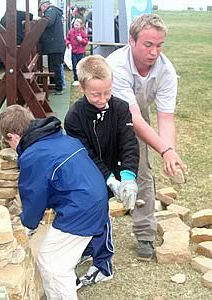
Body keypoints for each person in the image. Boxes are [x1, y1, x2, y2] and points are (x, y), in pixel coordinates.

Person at [0, 104, 109, 299]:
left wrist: (26, 226)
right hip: (95, 198)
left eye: (9, 143)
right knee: (56, 260)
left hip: (81, 208)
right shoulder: (60, 138)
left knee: (53, 263)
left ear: (13, 136)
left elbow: (34, 196)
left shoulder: (33, 155)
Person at [106, 14, 187, 260]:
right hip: (105, 111)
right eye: (148, 45)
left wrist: (169, 152)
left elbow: (165, 119)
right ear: (131, 41)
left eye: (159, 45)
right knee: (99, 168)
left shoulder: (166, 71)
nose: (154, 52)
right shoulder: (115, 65)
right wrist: (164, 149)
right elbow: (132, 119)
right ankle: (91, 233)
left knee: (142, 169)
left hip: (138, 112)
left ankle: (144, 235)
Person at [64, 55, 139, 286]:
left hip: (115, 166)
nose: (102, 99)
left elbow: (129, 143)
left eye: (107, 92)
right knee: (93, 209)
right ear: (81, 88)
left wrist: (127, 177)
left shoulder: (121, 108)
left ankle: (103, 265)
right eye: (95, 94)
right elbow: (86, 154)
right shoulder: (74, 117)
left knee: (100, 215)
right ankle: (89, 248)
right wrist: (108, 180)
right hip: (89, 171)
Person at [39, 0, 66, 95]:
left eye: (41, 8)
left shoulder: (50, 11)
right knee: (54, 67)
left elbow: (48, 22)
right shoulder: (53, 11)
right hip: (55, 46)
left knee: (55, 67)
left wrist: (39, 22)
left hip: (55, 46)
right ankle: (56, 86)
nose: (41, 10)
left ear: (44, 5)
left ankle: (58, 87)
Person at [66, 18, 88, 86]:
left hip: (80, 52)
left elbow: (86, 42)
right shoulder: (71, 32)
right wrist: (68, 43)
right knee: (74, 65)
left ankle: (81, 79)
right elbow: (67, 39)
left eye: (77, 25)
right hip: (73, 51)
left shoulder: (83, 33)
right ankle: (76, 79)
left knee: (80, 66)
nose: (75, 26)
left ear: (81, 25)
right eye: (75, 24)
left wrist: (81, 40)